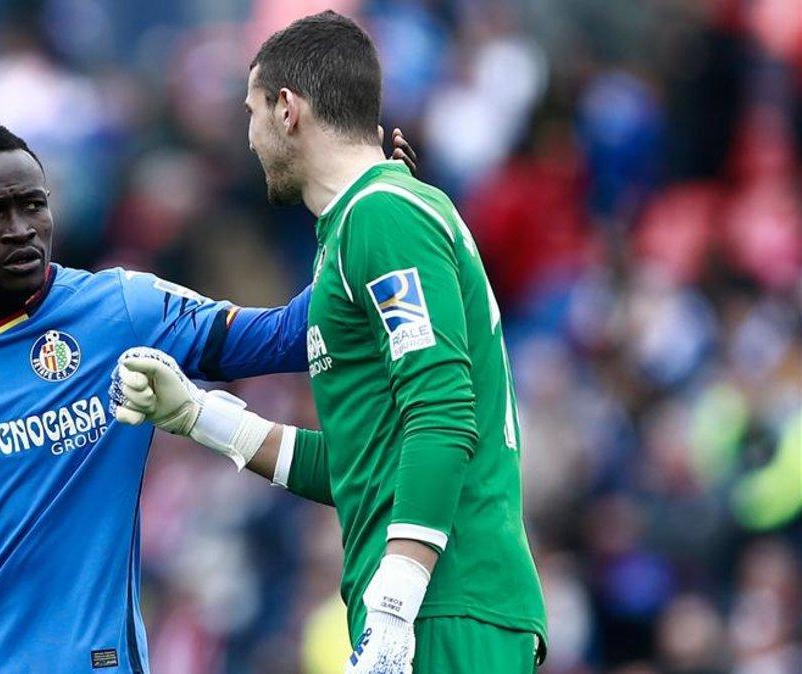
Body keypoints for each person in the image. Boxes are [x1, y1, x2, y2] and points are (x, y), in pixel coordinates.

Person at [0, 119, 417, 673]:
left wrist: (366, 217)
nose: (21, 229)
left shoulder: (123, 308)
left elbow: (283, 337)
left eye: (32, 204)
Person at [110, 11, 547, 674]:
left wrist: (397, 603)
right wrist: (199, 416)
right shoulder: (360, 228)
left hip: (446, 603)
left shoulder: (383, 215)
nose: (250, 137)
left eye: (252, 111)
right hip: (431, 602)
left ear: (288, 110)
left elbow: (442, 410)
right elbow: (357, 466)